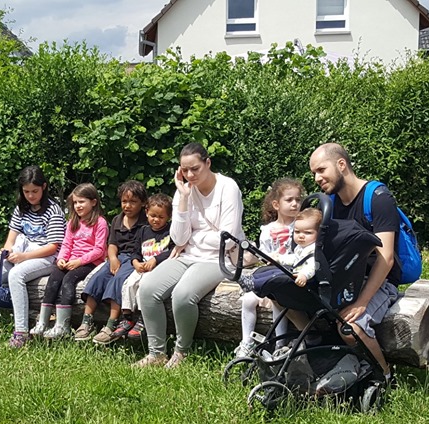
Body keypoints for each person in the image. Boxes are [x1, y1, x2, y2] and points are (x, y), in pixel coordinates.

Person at [135, 142, 244, 368]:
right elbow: (179, 238)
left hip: (220, 258)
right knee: (147, 288)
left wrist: (194, 238)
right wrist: (183, 199)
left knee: (183, 295)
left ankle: (181, 351)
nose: (190, 174)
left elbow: (228, 236)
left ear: (208, 163)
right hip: (187, 255)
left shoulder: (228, 187)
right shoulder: (183, 191)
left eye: (195, 168)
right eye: (185, 170)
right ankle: (156, 354)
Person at [308, 142, 397, 382]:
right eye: (313, 173)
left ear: (341, 164)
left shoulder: (378, 198)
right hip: (347, 278)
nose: (317, 178)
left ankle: (384, 375)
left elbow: (386, 257)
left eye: (321, 170)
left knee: (351, 328)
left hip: (380, 282)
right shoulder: (331, 204)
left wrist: (362, 302)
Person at [0, 166, 65, 348]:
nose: (31, 196)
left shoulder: (53, 210)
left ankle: (21, 332)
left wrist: (24, 257)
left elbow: (53, 246)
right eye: (26, 192)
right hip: (22, 252)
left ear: (44, 187)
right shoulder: (21, 208)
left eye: (35, 191)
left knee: (16, 275)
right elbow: (11, 238)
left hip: (46, 256)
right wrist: (7, 251)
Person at [236, 178, 303, 358]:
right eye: (289, 200)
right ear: (276, 204)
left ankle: (279, 344)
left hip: (287, 277)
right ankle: (246, 342)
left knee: (277, 302)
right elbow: (265, 256)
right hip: (270, 275)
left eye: (298, 199)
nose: (295, 204)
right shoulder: (267, 229)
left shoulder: (300, 228)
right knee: (248, 300)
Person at [31, 183, 108, 339]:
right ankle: (43, 321)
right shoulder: (73, 221)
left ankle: (63, 325)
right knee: (53, 278)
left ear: (93, 202)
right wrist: (61, 259)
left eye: (82, 201)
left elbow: (99, 250)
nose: (78, 206)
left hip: (89, 262)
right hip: (71, 260)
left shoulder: (100, 223)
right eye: (75, 202)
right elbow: (66, 244)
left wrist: (79, 262)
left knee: (68, 280)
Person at [75, 180, 148, 344]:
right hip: (117, 256)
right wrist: (113, 259)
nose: (127, 206)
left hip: (134, 258)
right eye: (124, 201)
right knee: (98, 278)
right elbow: (112, 244)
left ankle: (110, 325)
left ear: (143, 203)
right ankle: (86, 321)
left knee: (118, 280)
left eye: (133, 202)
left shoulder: (145, 222)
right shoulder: (117, 219)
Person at [115, 193, 173, 341]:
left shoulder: (170, 232)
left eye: (161, 217)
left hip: (158, 268)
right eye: (153, 215)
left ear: (169, 217)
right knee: (128, 284)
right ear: (146, 212)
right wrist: (135, 262)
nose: (156, 220)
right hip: (141, 266)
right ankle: (127, 317)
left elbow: (174, 251)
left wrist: (156, 259)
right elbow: (135, 251)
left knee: (144, 286)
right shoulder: (143, 231)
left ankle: (142, 318)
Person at [280, 208, 320, 288]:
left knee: (276, 278)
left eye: (308, 233)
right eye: (297, 232)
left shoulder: (314, 249)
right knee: (271, 271)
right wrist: (278, 259)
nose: (301, 236)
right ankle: (252, 280)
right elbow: (295, 258)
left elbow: (312, 266)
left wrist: (304, 275)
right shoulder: (301, 247)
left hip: (303, 279)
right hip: (295, 271)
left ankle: (253, 283)